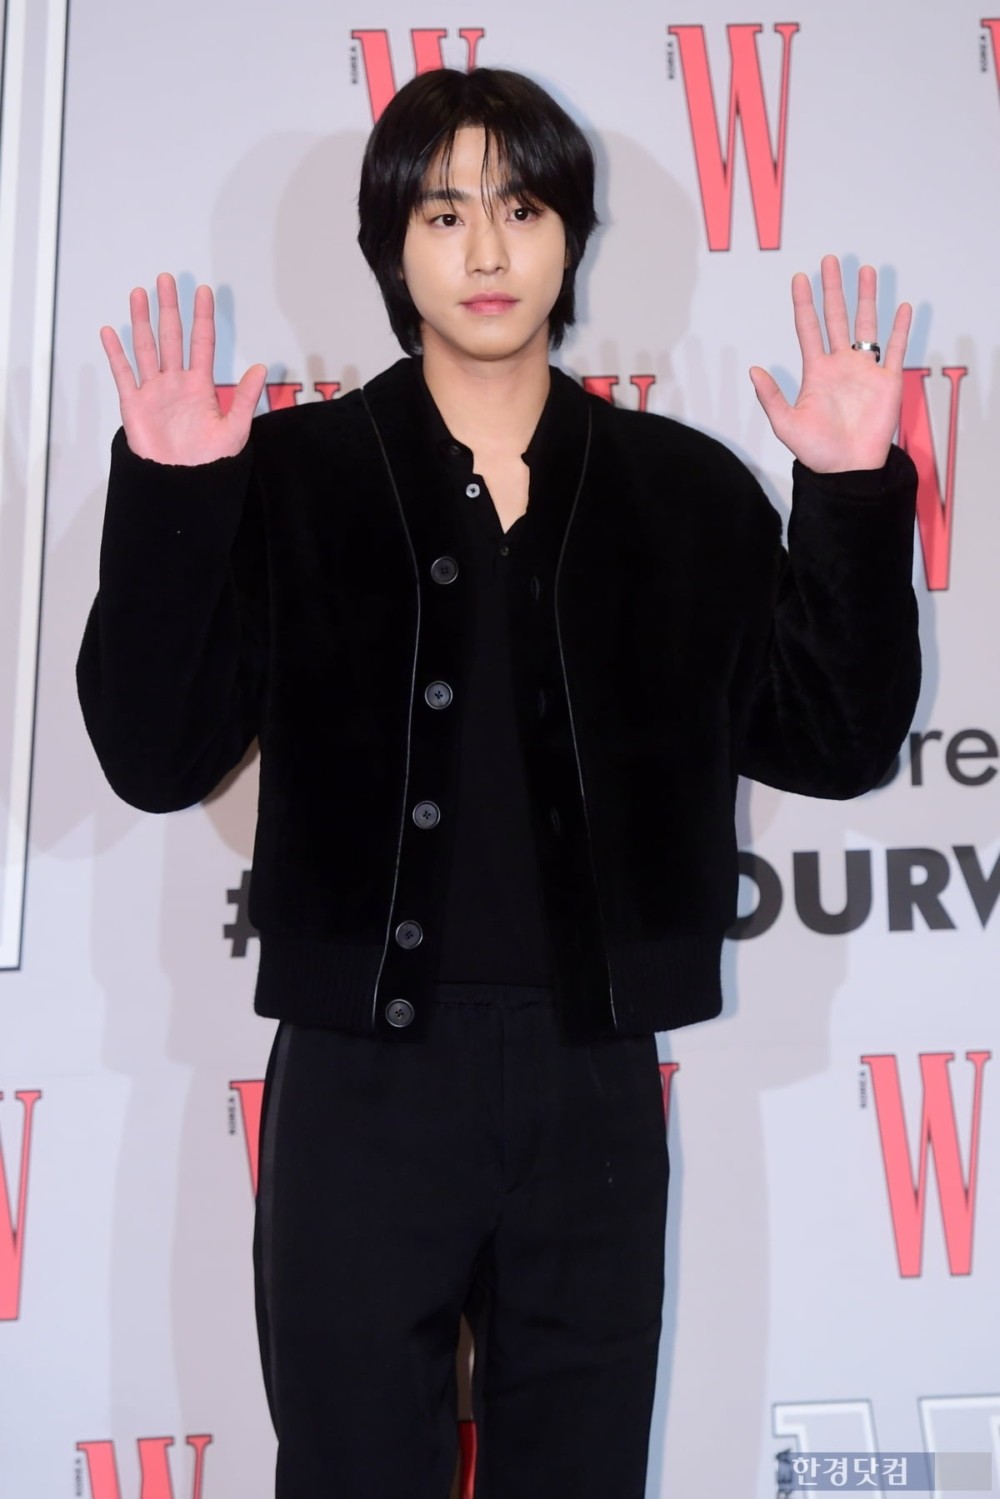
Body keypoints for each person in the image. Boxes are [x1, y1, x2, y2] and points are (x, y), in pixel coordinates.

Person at [77, 66, 920, 1499]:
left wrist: (847, 496)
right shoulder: (293, 474)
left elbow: (836, 743)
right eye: (444, 212)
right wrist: (171, 498)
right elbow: (154, 760)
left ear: (570, 237)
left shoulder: (682, 490)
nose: (484, 250)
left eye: (521, 210)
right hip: (358, 1083)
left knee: (579, 1470)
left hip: (592, 1087)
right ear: (390, 244)